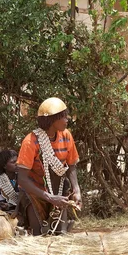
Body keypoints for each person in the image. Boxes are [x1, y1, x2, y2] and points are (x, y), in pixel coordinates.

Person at [16, 97, 82, 236]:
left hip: (58, 192)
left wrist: (76, 190)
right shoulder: (31, 141)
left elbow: (71, 166)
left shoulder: (66, 136)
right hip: (35, 194)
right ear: (52, 120)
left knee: (60, 235)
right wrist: (49, 197)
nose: (67, 119)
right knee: (39, 235)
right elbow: (22, 179)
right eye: (63, 117)